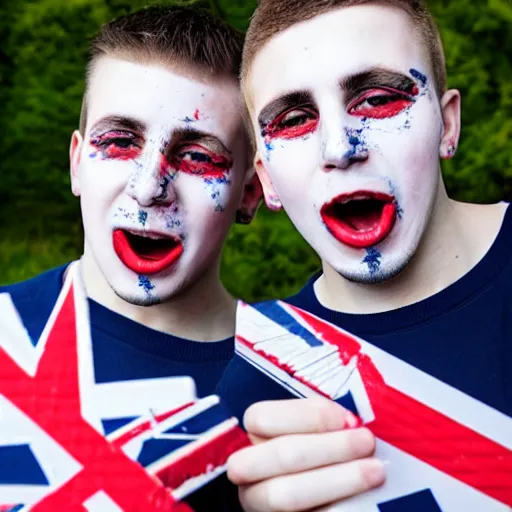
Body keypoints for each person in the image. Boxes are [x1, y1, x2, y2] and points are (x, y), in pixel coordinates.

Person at [0, 5, 380, 511]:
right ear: (76, 163)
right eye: (118, 142)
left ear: (250, 191)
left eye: (199, 156)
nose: (149, 188)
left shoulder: (302, 387)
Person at [225, 0, 511, 510]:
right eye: (293, 119)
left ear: (447, 125)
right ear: (266, 180)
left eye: (376, 99)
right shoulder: (258, 385)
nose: (339, 147)